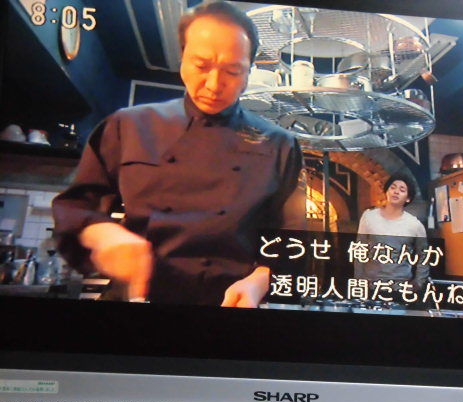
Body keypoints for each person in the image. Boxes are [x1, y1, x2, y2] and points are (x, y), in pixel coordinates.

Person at [52, 1, 305, 306]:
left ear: (249, 72)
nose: (214, 85)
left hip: (233, 305)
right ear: (182, 58)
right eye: (201, 66)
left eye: (233, 71)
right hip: (135, 301)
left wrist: (261, 279)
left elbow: (293, 238)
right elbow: (76, 207)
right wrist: (103, 234)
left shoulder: (280, 144)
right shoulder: (128, 126)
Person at [355, 173, 429, 299]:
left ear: (408, 198)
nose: (396, 192)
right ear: (386, 191)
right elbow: (359, 249)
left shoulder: (415, 225)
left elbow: (424, 256)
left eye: (402, 190)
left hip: (400, 287)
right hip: (371, 286)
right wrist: (358, 280)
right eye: (393, 187)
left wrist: (419, 282)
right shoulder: (369, 217)